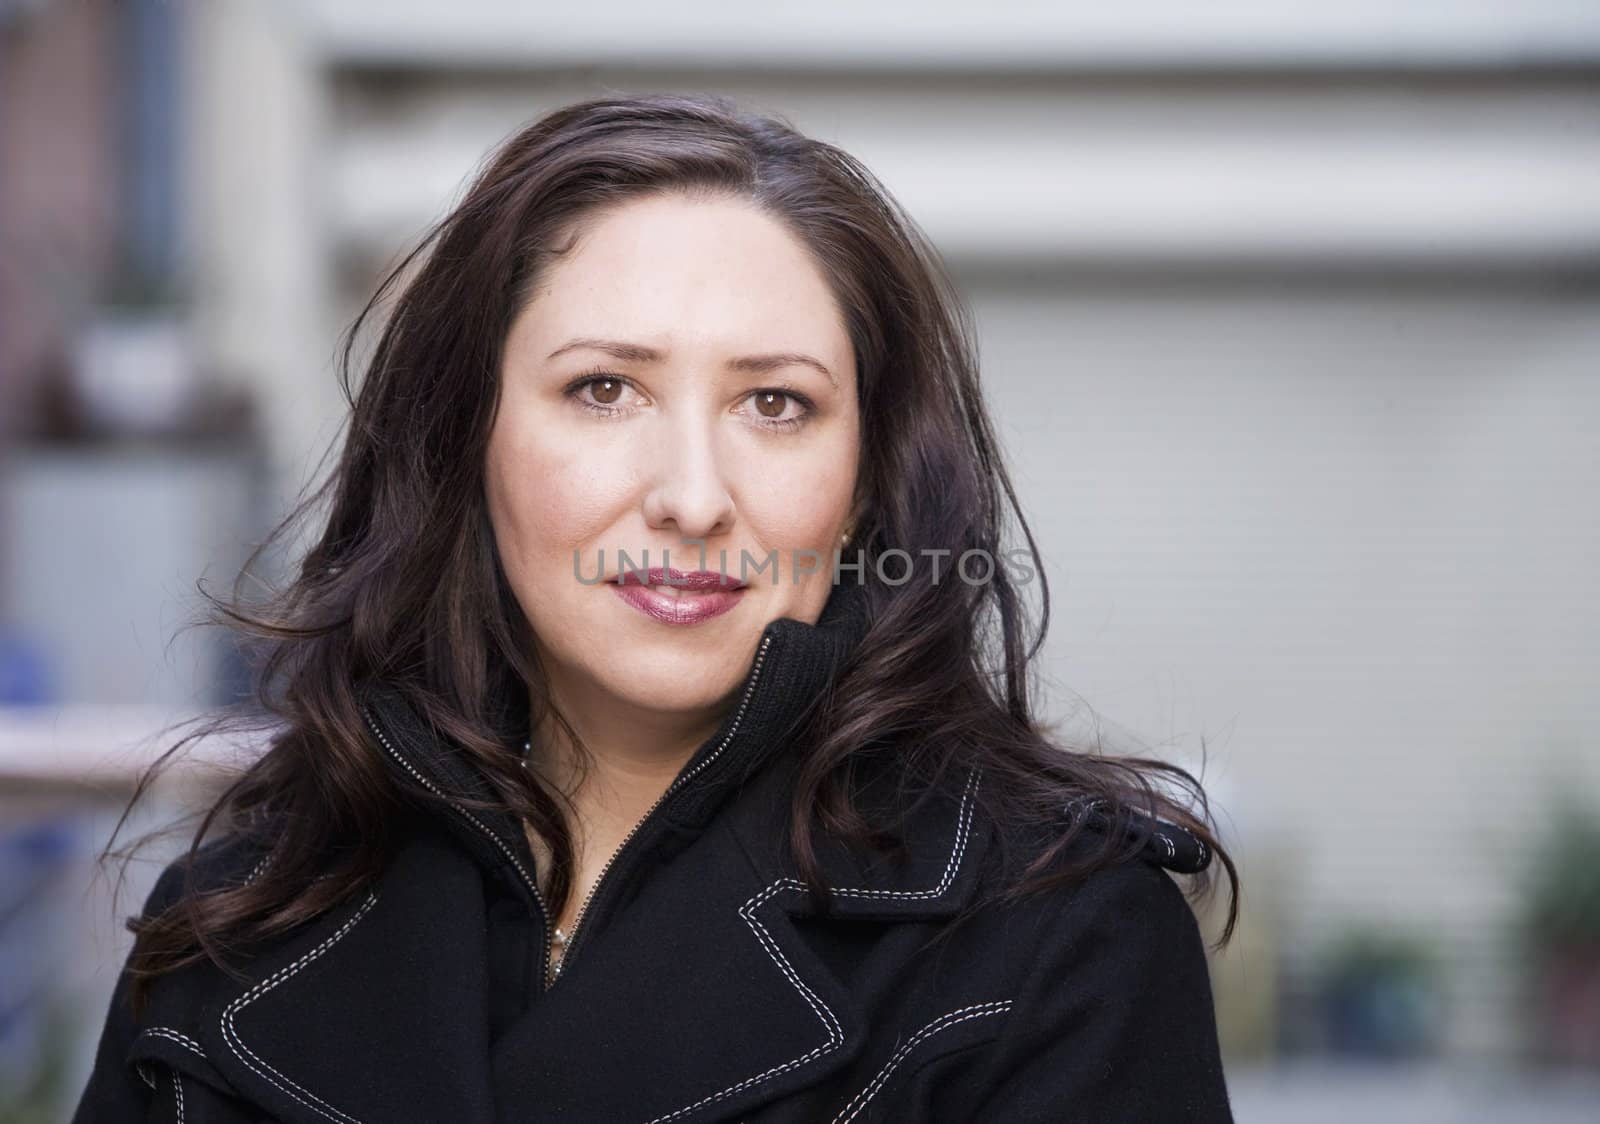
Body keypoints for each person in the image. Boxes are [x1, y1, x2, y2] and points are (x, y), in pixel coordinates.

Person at [71, 92, 1238, 1122]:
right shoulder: (242, 916)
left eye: (775, 404)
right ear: (464, 436)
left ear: (868, 475)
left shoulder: (1059, 937)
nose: (691, 496)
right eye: (603, 388)